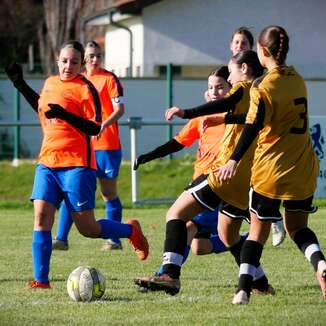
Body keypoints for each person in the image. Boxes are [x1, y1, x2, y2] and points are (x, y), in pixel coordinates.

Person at [5, 40, 149, 289]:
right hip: (47, 162)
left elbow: (95, 127)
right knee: (41, 217)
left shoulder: (86, 88)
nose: (68, 66)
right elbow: (43, 108)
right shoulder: (50, 83)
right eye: (64, 61)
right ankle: (42, 280)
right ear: (57, 60)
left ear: (81, 64)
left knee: (88, 228)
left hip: (77, 165)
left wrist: (64, 114)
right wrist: (20, 84)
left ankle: (130, 231)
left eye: (74, 62)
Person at [135, 50, 274, 296]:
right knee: (223, 236)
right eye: (213, 86)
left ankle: (169, 274)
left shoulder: (241, 90)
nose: (227, 83)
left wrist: (187, 112)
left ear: (243, 69)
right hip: (238, 180)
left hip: (221, 176)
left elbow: (229, 104)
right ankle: (260, 284)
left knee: (177, 214)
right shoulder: (258, 95)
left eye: (227, 77)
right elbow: (247, 119)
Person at [217, 26, 326, 304]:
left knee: (256, 234)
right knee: (298, 228)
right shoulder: (298, 79)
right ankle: (320, 263)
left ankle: (242, 290)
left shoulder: (263, 87)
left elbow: (252, 127)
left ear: (263, 52)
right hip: (302, 168)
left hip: (271, 171)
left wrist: (233, 159)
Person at [134, 67, 234, 279]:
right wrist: (149, 156)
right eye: (210, 87)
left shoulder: (235, 116)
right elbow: (178, 142)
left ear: (231, 87)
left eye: (220, 87)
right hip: (200, 184)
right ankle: (244, 242)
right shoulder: (203, 116)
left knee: (184, 223)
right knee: (201, 247)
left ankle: (166, 274)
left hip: (218, 185)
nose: (215, 92)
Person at [53, 41, 125, 251]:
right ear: (84, 59)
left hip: (107, 146)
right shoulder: (77, 80)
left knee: (108, 193)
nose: (95, 60)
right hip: (83, 147)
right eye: (91, 56)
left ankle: (114, 240)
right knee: (71, 191)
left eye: (98, 56)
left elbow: (119, 109)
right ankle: (61, 239)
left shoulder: (109, 79)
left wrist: (102, 125)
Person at [229, 26, 285, 247]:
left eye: (243, 43)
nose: (239, 46)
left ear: (251, 48)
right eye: (236, 42)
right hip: (231, 136)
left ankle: (272, 218)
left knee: (253, 181)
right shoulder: (229, 71)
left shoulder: (258, 79)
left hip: (253, 135)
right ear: (230, 45)